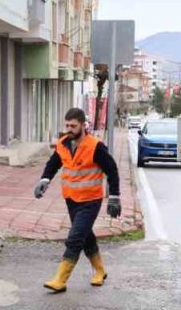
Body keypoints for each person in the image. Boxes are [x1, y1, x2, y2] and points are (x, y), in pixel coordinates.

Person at [33, 107, 121, 293]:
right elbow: (53, 163)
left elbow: (112, 170)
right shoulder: (63, 143)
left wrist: (114, 197)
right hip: (71, 199)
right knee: (85, 236)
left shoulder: (95, 146)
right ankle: (100, 271)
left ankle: (60, 279)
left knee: (75, 237)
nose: (69, 129)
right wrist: (44, 179)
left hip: (90, 200)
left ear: (83, 125)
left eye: (73, 126)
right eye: (67, 125)